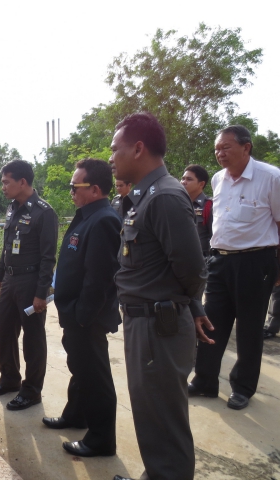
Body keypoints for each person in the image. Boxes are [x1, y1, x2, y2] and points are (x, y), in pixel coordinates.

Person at [109, 112, 210, 480]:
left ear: (138, 149)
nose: (111, 158)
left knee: (164, 419)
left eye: (115, 149)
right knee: (150, 412)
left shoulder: (165, 196)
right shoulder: (144, 196)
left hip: (159, 325)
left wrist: (186, 304)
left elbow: (193, 269)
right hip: (147, 321)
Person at [190, 125, 280, 410]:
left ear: (246, 147)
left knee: (249, 328)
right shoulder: (219, 179)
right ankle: (204, 380)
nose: (220, 153)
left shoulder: (271, 178)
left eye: (226, 147)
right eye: (217, 149)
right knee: (211, 322)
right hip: (219, 260)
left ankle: (243, 387)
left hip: (255, 261)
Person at [42, 158, 121, 458]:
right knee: (81, 369)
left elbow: (99, 278)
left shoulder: (103, 220)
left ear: (95, 189)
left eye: (76, 186)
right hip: (76, 313)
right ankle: (76, 415)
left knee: (95, 377)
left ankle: (101, 440)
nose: (71, 191)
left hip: (87, 316)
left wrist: (82, 316)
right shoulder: (88, 216)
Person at [0, 160, 58, 410]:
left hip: (30, 282)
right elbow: (6, 247)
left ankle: (31, 391)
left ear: (22, 182)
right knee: (4, 330)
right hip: (10, 280)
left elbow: (48, 258)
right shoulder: (12, 208)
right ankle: (9, 379)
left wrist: (41, 293)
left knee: (33, 338)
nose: (3, 187)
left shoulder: (44, 213)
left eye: (6, 182)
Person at [181, 164, 213, 256]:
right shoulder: (178, 204)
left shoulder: (209, 206)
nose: (183, 182)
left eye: (189, 179)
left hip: (202, 258)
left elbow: (214, 237)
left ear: (201, 184)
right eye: (183, 178)